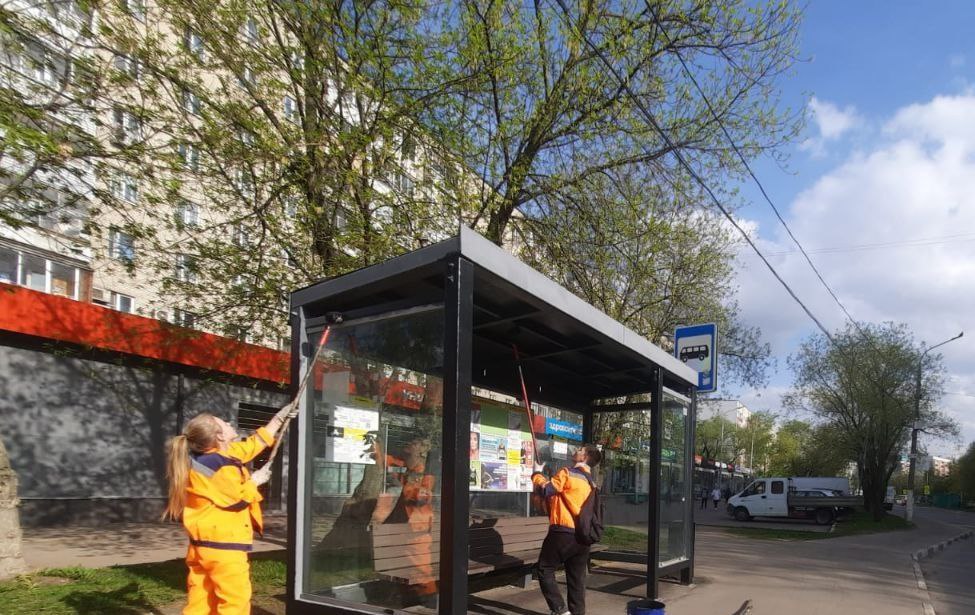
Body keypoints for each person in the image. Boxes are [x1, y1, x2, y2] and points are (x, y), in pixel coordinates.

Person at [163, 403, 297, 615]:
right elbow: (237, 499)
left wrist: (279, 419)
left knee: (201, 601)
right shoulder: (219, 466)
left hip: (203, 546)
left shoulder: (213, 457)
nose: (228, 422)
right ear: (219, 436)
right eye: (223, 423)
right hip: (223, 548)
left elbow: (252, 445)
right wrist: (254, 481)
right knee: (234, 602)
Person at [532, 444, 603, 615]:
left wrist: (536, 474)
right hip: (583, 537)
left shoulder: (567, 473)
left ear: (584, 457)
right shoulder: (591, 482)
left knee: (544, 569)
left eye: (580, 450)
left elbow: (547, 489)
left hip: (562, 533)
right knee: (577, 580)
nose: (576, 451)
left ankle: (560, 610)